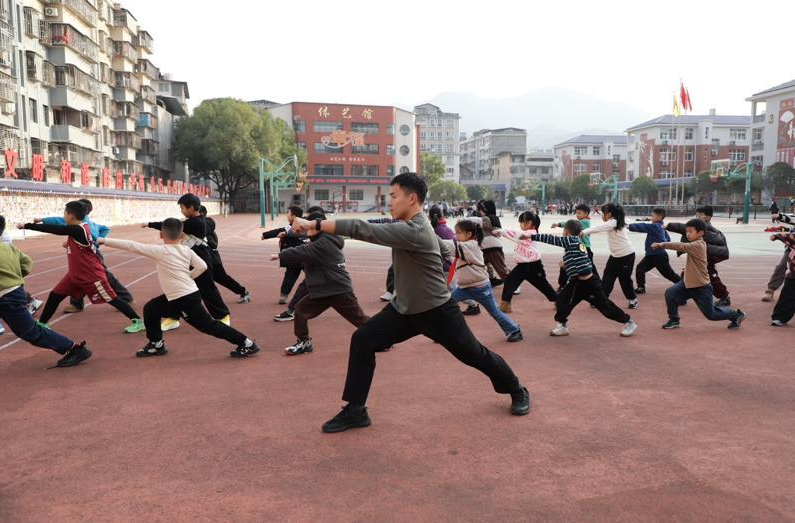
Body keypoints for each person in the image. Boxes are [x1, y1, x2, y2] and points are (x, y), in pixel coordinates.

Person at [290, 173, 531, 433]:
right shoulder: (413, 225)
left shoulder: (415, 229)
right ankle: (356, 410)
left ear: (412, 198)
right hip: (403, 309)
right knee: (363, 340)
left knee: (474, 355)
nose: (390, 201)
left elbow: (365, 229)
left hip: (437, 311)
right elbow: (400, 233)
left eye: (394, 196)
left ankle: (517, 389)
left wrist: (317, 224)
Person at [100, 218, 259, 358]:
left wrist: (104, 241)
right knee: (151, 309)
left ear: (161, 235)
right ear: (182, 236)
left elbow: (132, 246)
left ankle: (247, 343)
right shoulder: (186, 250)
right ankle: (156, 345)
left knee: (208, 326)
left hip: (185, 299)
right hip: (180, 295)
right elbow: (202, 266)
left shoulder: (160, 251)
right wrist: (190, 276)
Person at [18, 201, 145, 333]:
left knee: (111, 298)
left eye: (65, 213)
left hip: (91, 275)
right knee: (55, 295)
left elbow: (57, 229)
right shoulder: (79, 229)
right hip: (74, 275)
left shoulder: (79, 229)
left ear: (71, 216)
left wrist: (27, 226)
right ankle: (43, 323)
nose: (63, 216)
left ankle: (138, 321)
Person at [271, 211, 369, 355]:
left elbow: (303, 251)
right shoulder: (321, 237)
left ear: (318, 229)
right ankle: (304, 342)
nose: (306, 232)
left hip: (338, 289)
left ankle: (384, 337)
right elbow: (301, 236)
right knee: (300, 310)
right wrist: (289, 232)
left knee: (360, 320)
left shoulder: (324, 243)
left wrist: (280, 255)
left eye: (309, 228)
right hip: (322, 290)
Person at [0, 215, 91, 367]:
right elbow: (27, 262)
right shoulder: (9, 248)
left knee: (31, 333)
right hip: (13, 292)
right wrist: (16, 276)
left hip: (8, 297)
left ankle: (73, 348)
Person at [531, 220, 638, 337]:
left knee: (606, 307)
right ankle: (562, 326)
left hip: (590, 283)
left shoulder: (571, 241)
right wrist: (567, 265)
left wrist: (532, 236)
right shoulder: (577, 243)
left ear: (566, 232)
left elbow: (551, 239)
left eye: (563, 231)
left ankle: (629, 323)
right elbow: (580, 260)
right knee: (562, 300)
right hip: (576, 282)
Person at [143, 193, 230, 331]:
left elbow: (170, 226)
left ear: (191, 207)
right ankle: (173, 318)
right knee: (180, 290)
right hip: (186, 259)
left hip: (200, 259)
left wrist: (150, 224)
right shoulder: (195, 221)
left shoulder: (196, 222)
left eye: (183, 208)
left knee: (207, 289)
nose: (182, 211)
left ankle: (223, 316)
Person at [38, 198, 133, 313]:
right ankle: (77, 304)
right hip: (83, 254)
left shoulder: (85, 224)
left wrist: (42, 220)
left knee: (104, 276)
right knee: (77, 276)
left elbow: (59, 221)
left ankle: (125, 298)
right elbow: (104, 228)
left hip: (91, 256)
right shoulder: (89, 223)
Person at [652, 218, 746, 330]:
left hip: (701, 287)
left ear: (700, 233)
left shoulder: (698, 245)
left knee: (712, 315)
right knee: (670, 293)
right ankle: (674, 320)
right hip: (687, 283)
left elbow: (681, 246)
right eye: (686, 231)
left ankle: (736, 315)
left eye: (690, 232)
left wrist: (662, 244)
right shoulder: (694, 244)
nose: (688, 234)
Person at [442, 220, 523, 342]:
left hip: (480, 287)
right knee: (445, 305)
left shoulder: (469, 246)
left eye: (458, 233)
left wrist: (430, 236)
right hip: (465, 287)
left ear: (469, 234)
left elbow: (446, 245)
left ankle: (514, 329)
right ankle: (443, 332)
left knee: (494, 312)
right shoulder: (465, 245)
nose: (455, 235)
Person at [667, 206, 731, 306]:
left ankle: (724, 297)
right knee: (688, 273)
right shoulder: (700, 227)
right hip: (705, 253)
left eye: (699, 215)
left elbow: (683, 228)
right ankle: (681, 296)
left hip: (713, 254)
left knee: (709, 275)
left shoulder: (706, 228)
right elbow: (687, 234)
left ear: (708, 218)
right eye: (696, 215)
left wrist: (668, 226)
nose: (696, 217)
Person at [580, 203, 638, 309]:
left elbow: (598, 228)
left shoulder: (613, 222)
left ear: (609, 214)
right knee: (607, 278)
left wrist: (582, 232)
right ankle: (602, 299)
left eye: (603, 213)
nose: (602, 216)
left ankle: (632, 299)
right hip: (614, 256)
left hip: (626, 255)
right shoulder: (618, 220)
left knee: (624, 279)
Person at [498, 211, 556, 313]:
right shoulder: (526, 233)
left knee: (544, 286)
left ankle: (559, 301)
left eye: (523, 222)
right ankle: (505, 304)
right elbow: (517, 236)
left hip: (533, 266)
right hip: (522, 266)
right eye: (520, 222)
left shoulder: (531, 234)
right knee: (509, 281)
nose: (521, 225)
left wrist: (502, 231)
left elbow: (517, 235)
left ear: (530, 223)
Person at [199, 205, 250, 304]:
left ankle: (243, 292)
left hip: (212, 259)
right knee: (197, 281)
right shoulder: (196, 225)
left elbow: (213, 243)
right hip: (202, 259)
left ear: (200, 213)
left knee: (222, 278)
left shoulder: (206, 224)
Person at [628, 208, 681, 294]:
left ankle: (684, 286)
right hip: (651, 255)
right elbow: (667, 239)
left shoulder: (655, 226)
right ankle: (641, 287)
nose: (651, 218)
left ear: (659, 217)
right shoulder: (661, 226)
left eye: (653, 216)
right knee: (640, 268)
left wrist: (629, 226)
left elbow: (644, 226)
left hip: (659, 256)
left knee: (669, 274)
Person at [261, 205, 306, 304]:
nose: (286, 215)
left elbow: (289, 232)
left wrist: (285, 234)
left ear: (293, 216)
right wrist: (265, 235)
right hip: (294, 257)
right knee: (290, 276)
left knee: (311, 275)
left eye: (288, 213)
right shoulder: (290, 225)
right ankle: (284, 296)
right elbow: (280, 230)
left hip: (301, 256)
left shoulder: (301, 225)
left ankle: (287, 296)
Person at [551, 204, 597, 288]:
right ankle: (562, 285)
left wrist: (558, 224)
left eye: (579, 213)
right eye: (576, 213)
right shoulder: (578, 223)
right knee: (566, 266)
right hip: (574, 247)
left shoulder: (585, 222)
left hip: (584, 248)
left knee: (590, 267)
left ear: (586, 214)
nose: (577, 215)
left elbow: (569, 224)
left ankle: (596, 284)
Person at [763, 212, 794, 302]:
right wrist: (777, 236)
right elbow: (790, 228)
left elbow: (791, 219)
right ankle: (771, 290)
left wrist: (780, 216)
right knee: (781, 266)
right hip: (792, 248)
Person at [769, 230, 795, 326]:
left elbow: (790, 237)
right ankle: (780, 317)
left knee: (789, 293)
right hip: (793, 272)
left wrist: (777, 236)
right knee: (788, 294)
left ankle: (780, 317)